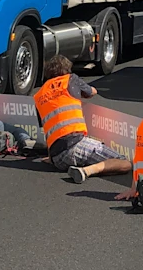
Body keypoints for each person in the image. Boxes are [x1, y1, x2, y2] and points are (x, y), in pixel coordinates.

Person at [34, 55, 132, 184]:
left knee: (80, 153)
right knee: (125, 163)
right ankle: (86, 171)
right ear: (67, 70)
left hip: (56, 158)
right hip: (75, 143)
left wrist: (52, 156)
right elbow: (91, 92)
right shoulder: (70, 80)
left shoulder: (39, 95)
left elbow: (47, 128)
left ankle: (80, 165)